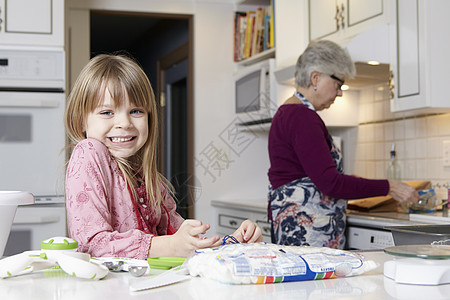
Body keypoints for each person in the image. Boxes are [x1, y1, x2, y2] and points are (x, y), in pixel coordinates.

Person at [65, 54, 263, 259]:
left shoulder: (152, 180)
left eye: (135, 111)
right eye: (107, 112)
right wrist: (172, 246)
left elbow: (181, 242)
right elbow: (91, 245)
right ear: (80, 121)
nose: (124, 123)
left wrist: (233, 243)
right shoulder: (89, 152)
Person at [267, 40, 419, 249]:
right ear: (315, 78)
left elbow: (309, 175)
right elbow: (330, 183)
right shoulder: (302, 117)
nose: (340, 93)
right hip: (310, 235)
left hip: (296, 230)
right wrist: (390, 186)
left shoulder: (288, 112)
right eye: (338, 84)